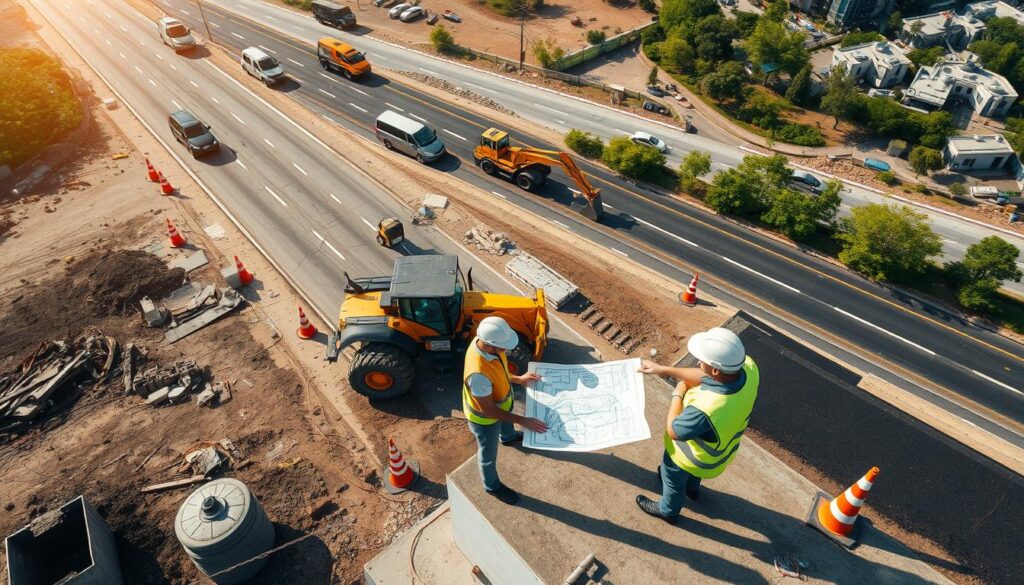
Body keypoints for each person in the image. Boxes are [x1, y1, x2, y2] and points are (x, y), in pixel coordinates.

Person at [635, 327, 759, 525]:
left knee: (671, 475)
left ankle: (668, 511)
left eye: (703, 362)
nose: (699, 363)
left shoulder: (708, 407)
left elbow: (674, 430)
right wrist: (664, 370)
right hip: (718, 454)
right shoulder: (749, 369)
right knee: (693, 477)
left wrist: (678, 392)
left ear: (716, 370)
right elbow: (707, 377)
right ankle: (692, 489)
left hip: (688, 458)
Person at [463, 316, 548, 505]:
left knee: (506, 421)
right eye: (503, 347)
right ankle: (492, 486)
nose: (506, 350)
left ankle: (508, 438)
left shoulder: (487, 348)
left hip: (502, 404)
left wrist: (520, 379)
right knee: (487, 454)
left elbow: (499, 372)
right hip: (485, 420)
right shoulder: (478, 374)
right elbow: (490, 411)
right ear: (489, 345)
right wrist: (524, 420)